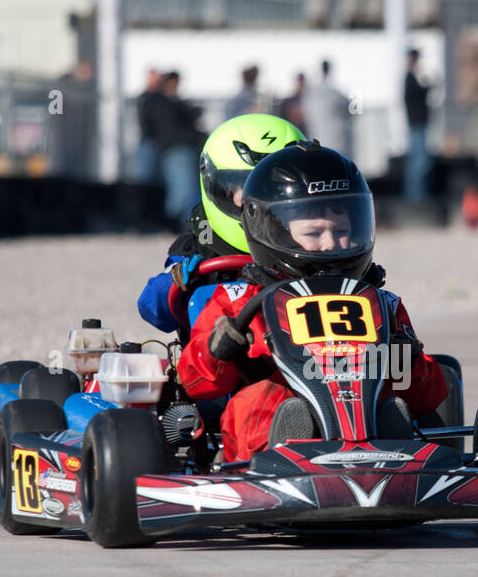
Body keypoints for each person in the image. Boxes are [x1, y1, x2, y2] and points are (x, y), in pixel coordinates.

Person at [178, 141, 447, 463]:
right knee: (259, 400)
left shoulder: (382, 304)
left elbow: (424, 398)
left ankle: (388, 451)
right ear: (270, 230)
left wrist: (406, 357)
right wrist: (220, 346)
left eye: (343, 231)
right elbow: (198, 384)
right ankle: (286, 452)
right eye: (315, 233)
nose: (331, 245)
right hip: (271, 438)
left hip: (370, 420)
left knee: (394, 405)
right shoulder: (238, 302)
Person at [137, 113, 307, 335]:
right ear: (221, 189)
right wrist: (177, 282)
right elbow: (152, 308)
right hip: (216, 359)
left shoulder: (304, 242)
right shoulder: (201, 243)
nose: (262, 200)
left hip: (299, 357)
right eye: (247, 187)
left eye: (274, 189)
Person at [148, 71, 205, 229]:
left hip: (178, 151)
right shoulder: (165, 105)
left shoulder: (171, 103)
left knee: (183, 191)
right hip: (177, 151)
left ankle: (180, 225)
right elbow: (171, 131)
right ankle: (181, 225)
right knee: (183, 191)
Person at [302, 59, 353, 157]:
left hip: (319, 144)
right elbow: (349, 108)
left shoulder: (311, 94)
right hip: (337, 144)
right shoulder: (336, 94)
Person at [402, 48, 431, 203]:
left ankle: (416, 195)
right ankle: (415, 197)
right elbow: (418, 95)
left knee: (418, 161)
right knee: (418, 162)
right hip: (417, 124)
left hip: (418, 123)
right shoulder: (410, 78)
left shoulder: (411, 77)